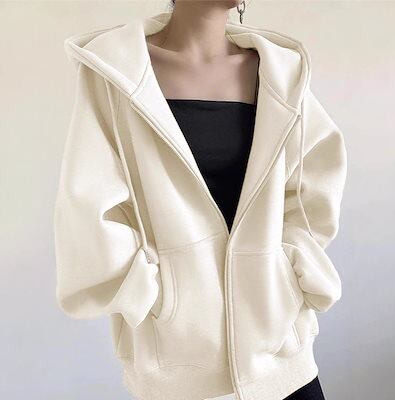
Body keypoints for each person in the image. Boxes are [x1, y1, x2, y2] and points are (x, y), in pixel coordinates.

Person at [54, 2, 347, 400]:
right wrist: (156, 298)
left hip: (283, 361)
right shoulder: (117, 72)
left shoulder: (280, 72)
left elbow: (312, 185)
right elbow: (88, 205)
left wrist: (288, 266)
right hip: (180, 369)